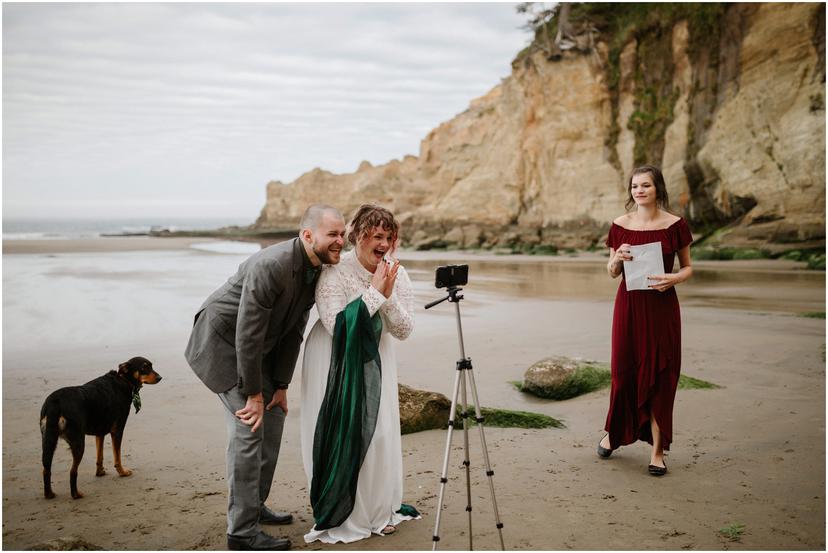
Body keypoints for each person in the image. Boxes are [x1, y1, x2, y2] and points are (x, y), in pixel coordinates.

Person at [184, 204, 346, 551]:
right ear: (308, 235)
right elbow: (247, 334)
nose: (340, 241)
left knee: (272, 422)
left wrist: (281, 387)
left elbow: (294, 331)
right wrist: (254, 393)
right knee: (249, 430)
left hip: (262, 351)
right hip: (224, 344)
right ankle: (241, 533)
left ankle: (254, 507)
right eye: (333, 234)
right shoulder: (270, 265)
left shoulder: (316, 268)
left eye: (342, 234)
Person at [300, 204, 419, 544]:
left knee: (380, 432)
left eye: (389, 237)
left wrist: (387, 294)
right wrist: (374, 292)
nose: (383, 243)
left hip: (377, 357)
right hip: (333, 359)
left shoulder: (399, 272)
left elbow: (404, 330)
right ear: (358, 237)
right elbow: (337, 326)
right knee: (341, 431)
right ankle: (343, 510)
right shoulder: (335, 271)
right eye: (375, 236)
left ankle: (378, 510)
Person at [598, 165, 693, 476]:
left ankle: (657, 451)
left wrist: (674, 279)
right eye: (634, 186)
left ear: (657, 189)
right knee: (623, 372)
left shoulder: (675, 225)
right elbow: (612, 273)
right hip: (628, 305)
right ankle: (614, 433)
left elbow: (688, 268)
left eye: (646, 186)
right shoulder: (620, 225)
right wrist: (616, 258)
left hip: (662, 307)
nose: (639, 190)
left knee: (662, 378)